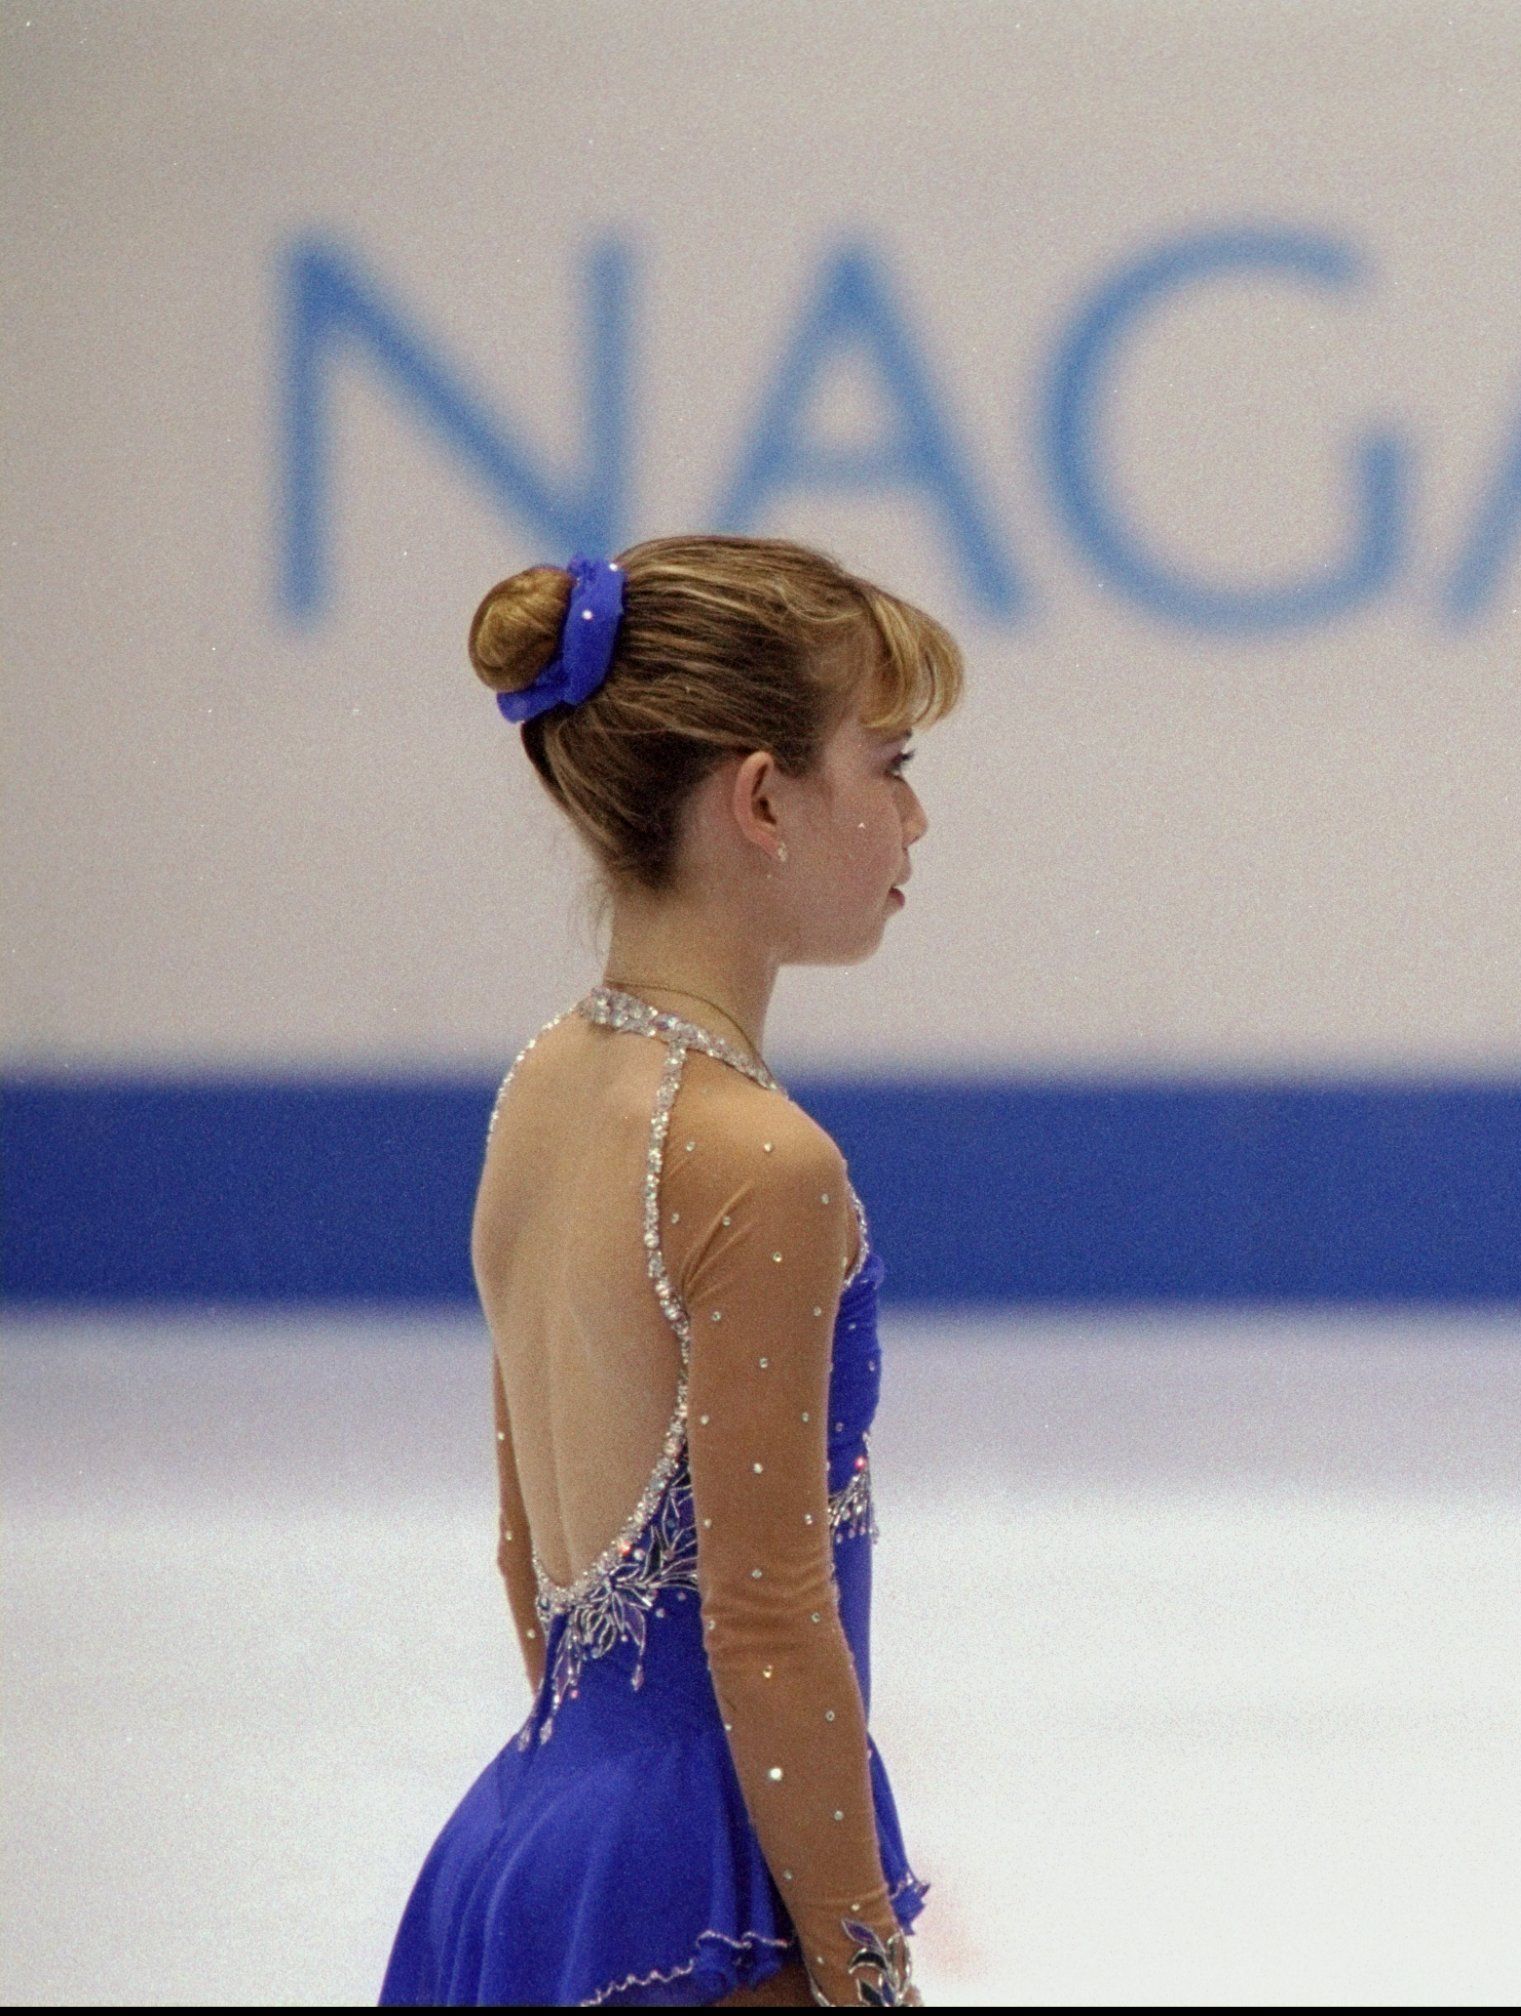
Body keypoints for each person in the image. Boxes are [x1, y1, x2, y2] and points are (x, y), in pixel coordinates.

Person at [383, 536, 959, 2006]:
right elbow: (766, 1616)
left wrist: (593, 1840)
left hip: (521, 1854)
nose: (914, 817)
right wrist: (864, 1965)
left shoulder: (548, 1089)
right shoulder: (762, 1163)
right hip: (698, 1892)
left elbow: (532, 1549)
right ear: (764, 797)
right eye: (885, 764)